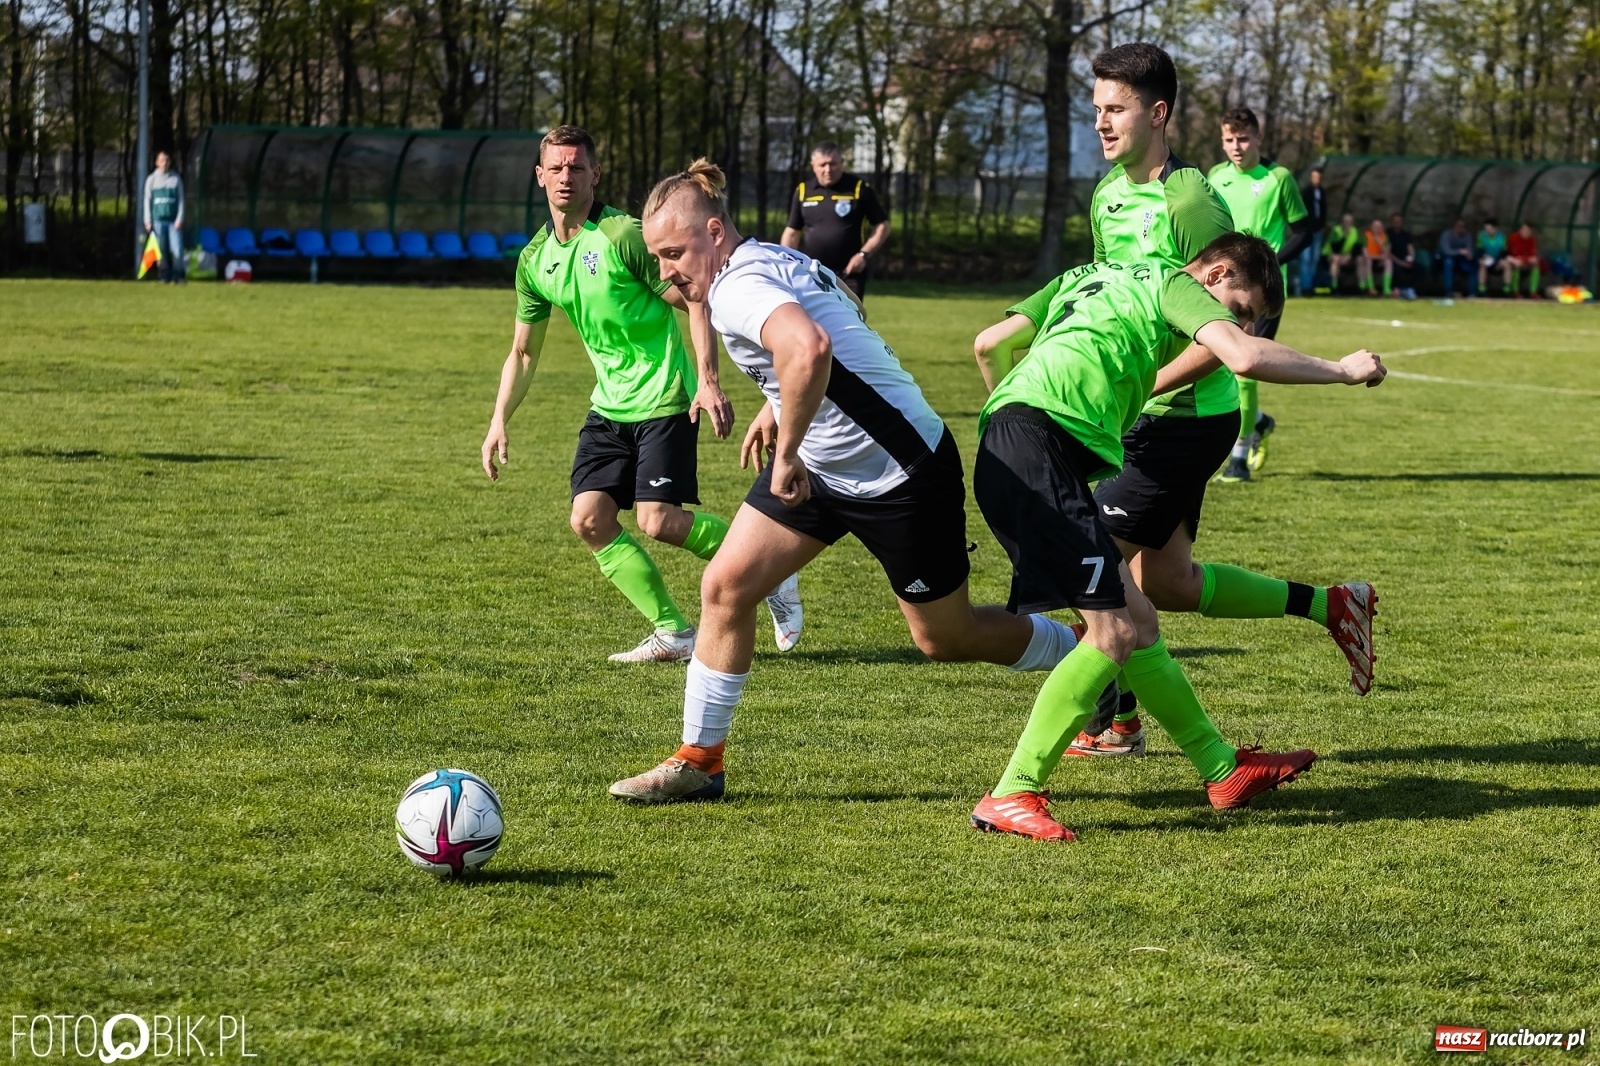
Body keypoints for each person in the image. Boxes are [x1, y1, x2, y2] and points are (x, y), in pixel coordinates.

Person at [608, 160, 1084, 804]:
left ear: (714, 233)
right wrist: (780, 404)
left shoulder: (737, 287)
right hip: (827, 468)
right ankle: (700, 761)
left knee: (946, 637)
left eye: (673, 254)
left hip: (900, 473)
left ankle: (1086, 653)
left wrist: (787, 449)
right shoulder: (774, 257)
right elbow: (844, 315)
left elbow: (809, 348)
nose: (666, 272)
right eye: (658, 257)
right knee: (725, 586)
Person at [968, 234, 1386, 840]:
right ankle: (1013, 791)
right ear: (1216, 274)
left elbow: (990, 344)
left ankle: (1222, 770)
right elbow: (1243, 358)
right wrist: (1344, 370)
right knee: (1112, 633)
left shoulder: (1088, 274)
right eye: (1239, 308)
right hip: (1038, 452)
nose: (1235, 323)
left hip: (1018, 444)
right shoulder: (1177, 286)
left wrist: (1012, 420)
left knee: (1140, 619)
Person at [480, 125, 802, 663]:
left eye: (576, 167)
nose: (566, 176)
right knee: (589, 519)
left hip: (665, 396)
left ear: (595, 174)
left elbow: (694, 298)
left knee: (659, 521)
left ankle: (773, 571)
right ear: (539, 176)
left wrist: (708, 380)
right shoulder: (535, 259)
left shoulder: (623, 236)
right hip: (609, 405)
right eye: (556, 167)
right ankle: (674, 632)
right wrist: (498, 419)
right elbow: (524, 352)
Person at [1206, 106, 1313, 482]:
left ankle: (1238, 457)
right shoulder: (1215, 177)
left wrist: (1268, 265)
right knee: (1216, 369)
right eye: (1229, 140)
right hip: (1221, 288)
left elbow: (1304, 231)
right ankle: (1260, 421)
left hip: (1261, 294)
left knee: (1245, 367)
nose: (1236, 146)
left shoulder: (1278, 178)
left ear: (1258, 138)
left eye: (1243, 138)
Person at [780, 141, 891, 299]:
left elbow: (882, 226)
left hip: (849, 273)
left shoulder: (858, 189)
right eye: (822, 165)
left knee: (848, 314)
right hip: (812, 273)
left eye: (833, 164)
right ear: (813, 166)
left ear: (842, 163)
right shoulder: (803, 191)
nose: (828, 170)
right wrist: (786, 263)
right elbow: (792, 232)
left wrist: (863, 255)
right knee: (813, 315)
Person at [143, 151, 186, 284]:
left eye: (167, 160)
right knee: (161, 251)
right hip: (157, 221)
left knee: (177, 249)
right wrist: (147, 221)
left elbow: (181, 201)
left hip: (173, 222)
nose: (164, 163)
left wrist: (179, 219)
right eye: (162, 160)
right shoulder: (151, 180)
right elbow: (147, 201)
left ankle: (179, 276)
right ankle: (164, 276)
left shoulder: (176, 179)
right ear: (157, 163)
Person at [1298, 166, 1327, 296]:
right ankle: (1306, 287)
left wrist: (1322, 225)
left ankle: (1311, 285)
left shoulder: (1322, 191)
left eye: (1319, 177)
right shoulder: (1306, 191)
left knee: (1315, 258)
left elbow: (1323, 209)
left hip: (1317, 230)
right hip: (1307, 230)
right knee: (1306, 259)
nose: (1317, 179)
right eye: (1315, 177)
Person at [1437, 219, 1477, 297]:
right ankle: (1448, 291)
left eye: (1463, 226)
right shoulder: (1447, 234)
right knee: (1448, 262)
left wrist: (1469, 255)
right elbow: (1446, 251)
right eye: (1459, 226)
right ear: (1454, 226)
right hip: (1445, 259)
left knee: (1474, 265)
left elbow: (1469, 249)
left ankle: (1472, 293)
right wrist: (1459, 251)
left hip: (1461, 260)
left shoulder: (1467, 235)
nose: (1461, 228)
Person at [1325, 213, 1361, 291]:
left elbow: (1358, 247)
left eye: (1350, 221)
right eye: (1346, 221)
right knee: (1336, 259)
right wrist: (1344, 236)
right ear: (1342, 222)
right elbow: (1334, 248)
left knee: (1361, 260)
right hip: (1333, 254)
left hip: (1348, 256)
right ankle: (1334, 286)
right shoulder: (1335, 230)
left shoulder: (1355, 231)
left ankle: (1362, 286)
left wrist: (1350, 256)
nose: (1348, 223)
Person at [1477, 218, 1513, 295]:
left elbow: (1504, 250)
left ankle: (1507, 288)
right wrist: (1482, 258)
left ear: (1495, 228)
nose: (1487, 230)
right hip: (1487, 260)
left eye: (1489, 229)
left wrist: (1502, 259)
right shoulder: (1481, 235)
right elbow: (1480, 250)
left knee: (1507, 265)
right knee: (1482, 264)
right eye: (1485, 228)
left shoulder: (1502, 236)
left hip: (1498, 261)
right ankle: (1482, 288)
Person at [1388, 212, 1417, 300]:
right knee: (1396, 269)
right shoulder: (1387, 234)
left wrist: (1410, 260)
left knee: (1419, 268)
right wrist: (1401, 263)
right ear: (1391, 222)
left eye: (1399, 221)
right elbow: (1387, 252)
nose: (1397, 223)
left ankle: (1410, 289)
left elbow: (1411, 249)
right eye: (1395, 221)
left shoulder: (1406, 235)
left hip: (1405, 259)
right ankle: (1397, 290)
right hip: (1393, 259)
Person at [1359, 218, 1391, 296]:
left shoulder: (1385, 237)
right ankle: (1371, 288)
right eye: (1375, 226)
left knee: (1388, 262)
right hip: (1369, 260)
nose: (1377, 228)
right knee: (1367, 261)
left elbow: (1386, 253)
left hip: (1378, 261)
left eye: (1379, 226)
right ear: (1371, 227)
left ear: (1382, 228)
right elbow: (1366, 254)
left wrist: (1379, 243)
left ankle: (1386, 289)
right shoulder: (1366, 235)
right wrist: (1380, 256)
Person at [1507, 222, 1540, 298]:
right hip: (1514, 261)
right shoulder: (1513, 238)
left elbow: (1533, 254)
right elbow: (1512, 254)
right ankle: (1515, 291)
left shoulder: (1532, 240)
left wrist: (1529, 259)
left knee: (1536, 265)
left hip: (1525, 261)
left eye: (1529, 231)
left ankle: (1533, 292)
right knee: (1516, 264)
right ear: (1521, 230)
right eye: (1525, 230)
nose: (1526, 232)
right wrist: (1518, 260)